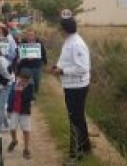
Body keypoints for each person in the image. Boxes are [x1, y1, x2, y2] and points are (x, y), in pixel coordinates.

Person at [49, 17, 91, 160]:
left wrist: (62, 71)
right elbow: (69, 61)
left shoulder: (77, 44)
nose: (59, 31)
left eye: (60, 28)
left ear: (65, 29)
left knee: (75, 120)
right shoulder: (69, 41)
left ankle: (76, 154)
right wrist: (58, 67)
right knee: (78, 118)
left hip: (77, 87)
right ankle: (85, 148)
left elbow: (83, 68)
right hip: (72, 85)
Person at [7, 72, 35, 160]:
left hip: (24, 112)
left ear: (29, 80)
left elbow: (30, 98)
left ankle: (26, 149)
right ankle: (14, 140)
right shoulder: (14, 84)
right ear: (19, 77)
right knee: (12, 128)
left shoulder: (30, 87)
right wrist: (8, 109)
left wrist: (23, 90)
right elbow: (10, 97)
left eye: (26, 80)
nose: (24, 82)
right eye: (22, 79)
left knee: (26, 130)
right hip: (14, 111)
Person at [16, 30, 48, 101]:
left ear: (35, 36)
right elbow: (19, 55)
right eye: (28, 35)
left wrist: (44, 63)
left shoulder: (39, 44)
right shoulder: (23, 44)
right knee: (30, 82)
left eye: (31, 35)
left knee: (36, 84)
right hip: (25, 66)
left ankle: (33, 94)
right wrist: (20, 59)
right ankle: (30, 97)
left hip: (36, 66)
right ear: (26, 36)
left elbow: (43, 54)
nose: (30, 37)